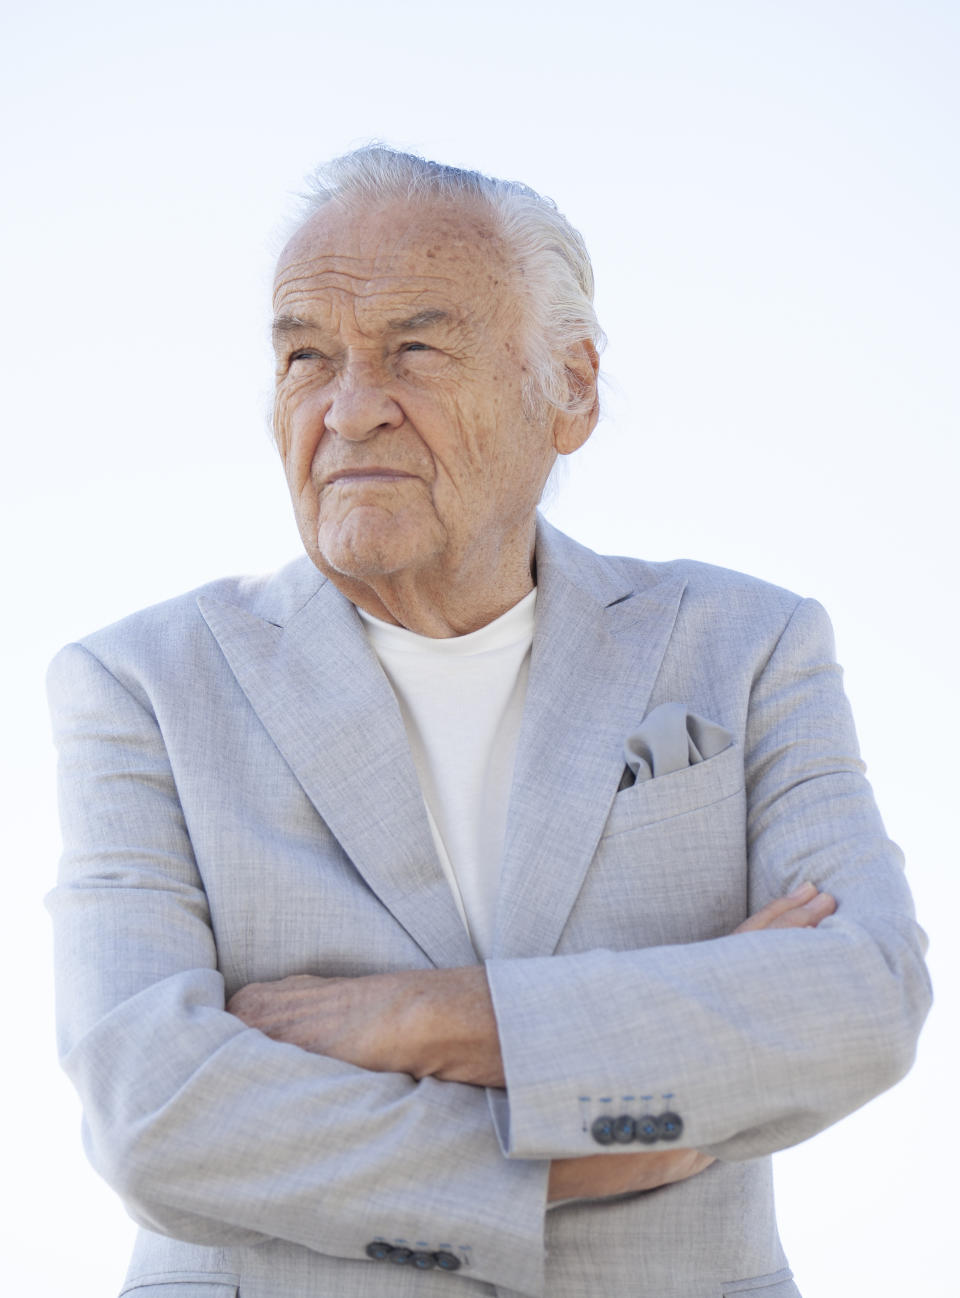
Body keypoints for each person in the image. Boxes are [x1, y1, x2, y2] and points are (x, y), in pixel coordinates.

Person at [47, 146, 930, 1298]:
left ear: (571, 388)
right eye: (306, 355)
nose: (350, 407)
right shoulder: (141, 685)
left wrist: (419, 1018)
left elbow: (859, 998)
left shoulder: (749, 645)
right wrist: (558, 1164)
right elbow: (153, 1106)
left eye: (414, 347)